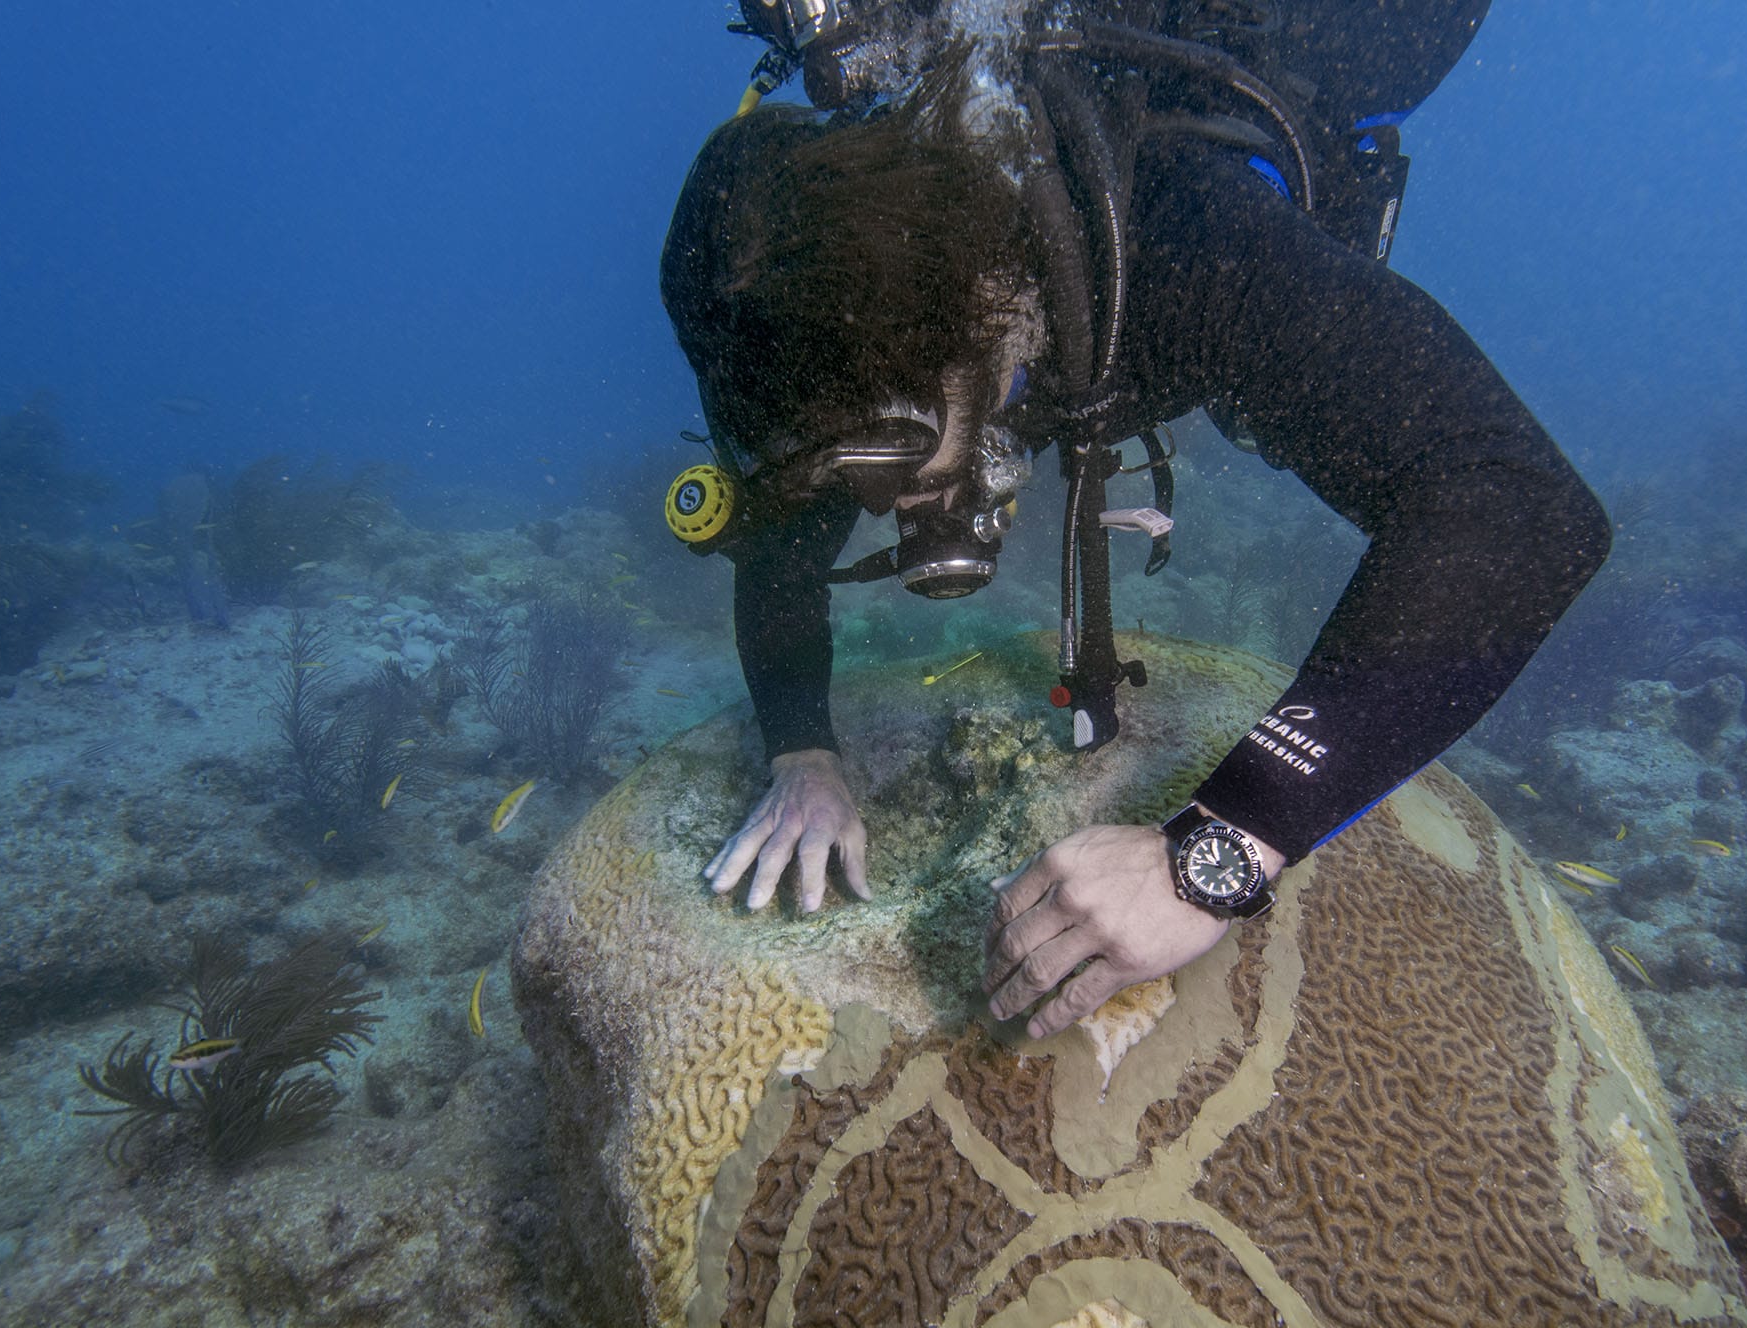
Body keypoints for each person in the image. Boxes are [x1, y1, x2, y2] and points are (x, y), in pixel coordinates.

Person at [657, 0, 1611, 1041]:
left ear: (978, 317)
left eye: (887, 456)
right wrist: (802, 750)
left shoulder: (1182, 247)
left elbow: (1517, 510)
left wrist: (1221, 847)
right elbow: (784, 552)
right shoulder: (848, 356)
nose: (882, 504)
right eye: (834, 474)